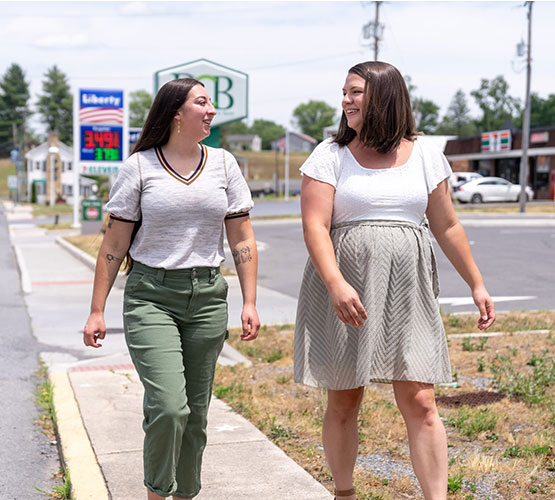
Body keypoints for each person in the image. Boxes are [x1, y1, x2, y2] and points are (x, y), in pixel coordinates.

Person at [294, 61, 495, 500]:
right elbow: (314, 226)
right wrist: (335, 283)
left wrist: (476, 283)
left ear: (384, 97)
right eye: (344, 92)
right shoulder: (329, 155)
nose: (345, 100)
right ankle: (344, 493)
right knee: (345, 400)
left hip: (408, 289)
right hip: (346, 284)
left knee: (422, 401)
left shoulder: (424, 153)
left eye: (355, 92)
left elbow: (447, 226)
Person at [83, 78, 260, 500]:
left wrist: (249, 301)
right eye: (202, 102)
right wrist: (96, 310)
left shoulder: (223, 164)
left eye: (211, 102)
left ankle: (185, 494)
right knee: (169, 408)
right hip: (151, 296)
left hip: (207, 297)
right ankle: (157, 493)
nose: (212, 110)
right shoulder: (139, 166)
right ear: (176, 114)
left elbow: (241, 236)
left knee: (195, 414)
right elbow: (114, 243)